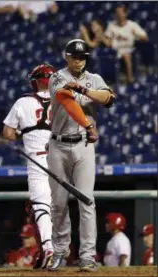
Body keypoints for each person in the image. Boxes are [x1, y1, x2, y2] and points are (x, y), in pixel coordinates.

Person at [47, 39, 116, 272]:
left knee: (87, 200)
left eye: (83, 56)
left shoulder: (94, 78)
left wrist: (85, 90)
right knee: (57, 203)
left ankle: (87, 255)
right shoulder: (57, 77)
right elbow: (66, 101)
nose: (79, 60)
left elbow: (109, 99)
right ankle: (60, 252)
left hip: (85, 147)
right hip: (58, 145)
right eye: (75, 56)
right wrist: (87, 124)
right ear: (66, 57)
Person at [3, 63, 57, 269]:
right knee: (57, 207)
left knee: (41, 205)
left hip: (38, 160)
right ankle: (60, 249)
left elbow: (8, 134)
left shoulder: (23, 101)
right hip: (62, 158)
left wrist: (20, 133)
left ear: (35, 81)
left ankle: (48, 249)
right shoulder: (62, 99)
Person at [104, 5, 149, 83]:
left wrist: (136, 34)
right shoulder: (111, 25)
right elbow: (106, 38)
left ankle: (130, 79)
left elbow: (145, 38)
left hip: (128, 49)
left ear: (125, 14)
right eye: (116, 13)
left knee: (126, 55)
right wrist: (106, 39)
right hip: (115, 50)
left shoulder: (132, 25)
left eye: (120, 12)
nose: (118, 14)